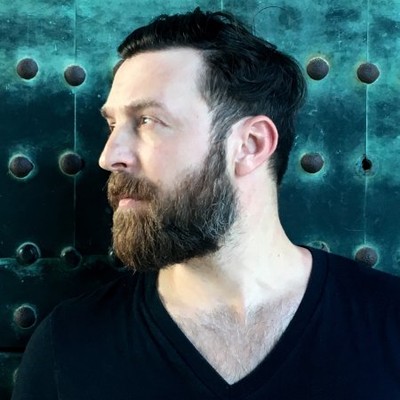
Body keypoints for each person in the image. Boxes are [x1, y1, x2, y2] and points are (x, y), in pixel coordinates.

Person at [12, 8, 400, 400]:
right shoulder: (68, 347)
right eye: (113, 125)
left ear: (250, 145)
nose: (109, 156)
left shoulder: (389, 323)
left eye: (147, 121)